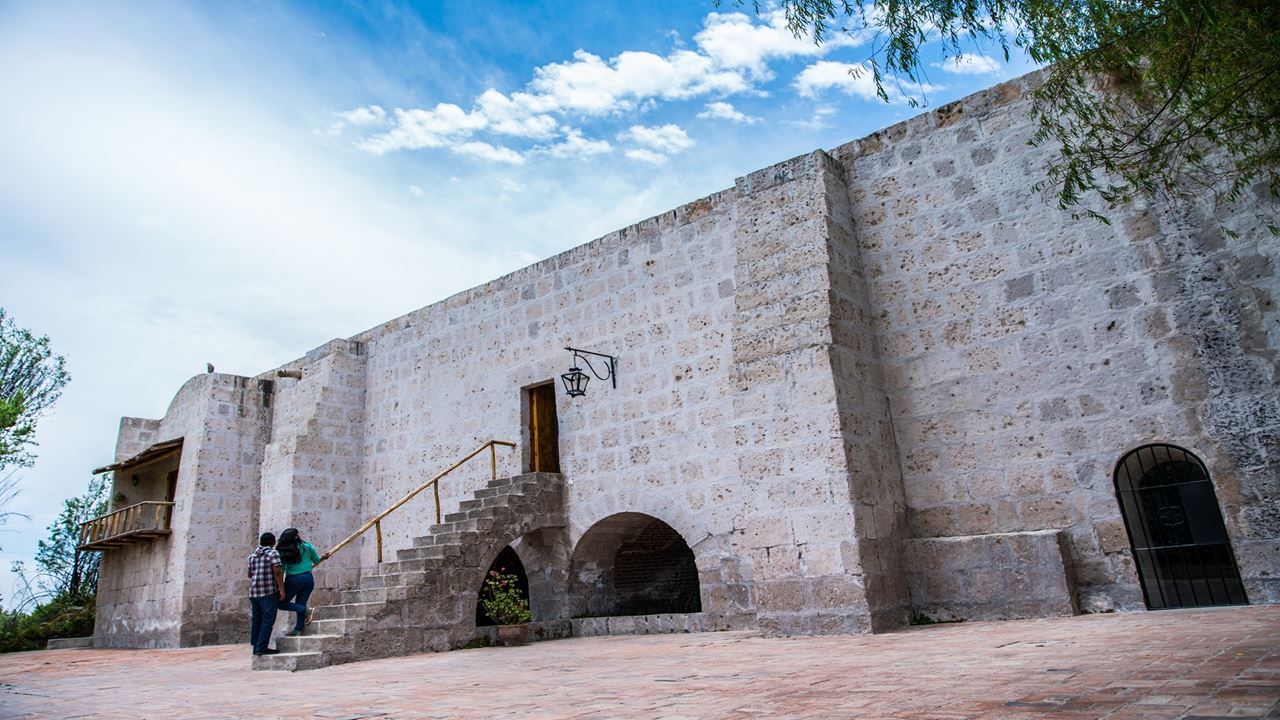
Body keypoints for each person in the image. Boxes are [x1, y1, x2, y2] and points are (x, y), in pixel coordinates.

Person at [276, 527, 323, 636]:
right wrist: (322, 557)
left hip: (293, 579)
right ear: (296, 536)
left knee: (280, 603)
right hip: (308, 578)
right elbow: (316, 560)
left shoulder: (283, 551)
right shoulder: (307, 546)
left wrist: (281, 587)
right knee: (300, 602)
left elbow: (282, 570)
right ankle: (298, 628)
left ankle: (306, 611)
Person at [246, 532, 285, 656]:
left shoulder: (252, 556)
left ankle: (256, 645)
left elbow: (249, 574)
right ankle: (262, 647)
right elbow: (277, 572)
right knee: (268, 620)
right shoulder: (273, 554)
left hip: (254, 592)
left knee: (257, 619)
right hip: (268, 591)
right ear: (273, 542)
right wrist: (282, 589)